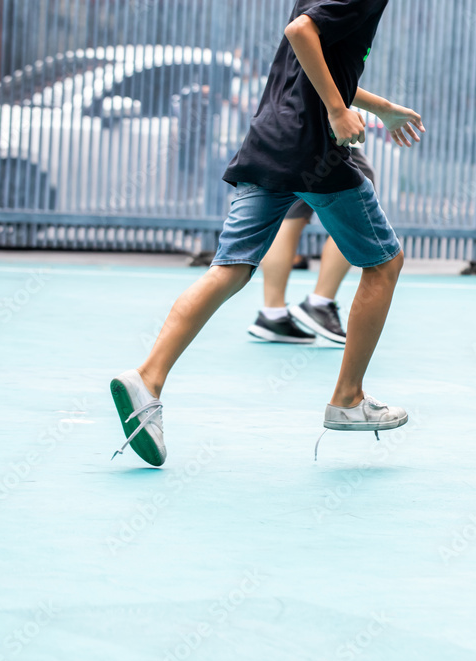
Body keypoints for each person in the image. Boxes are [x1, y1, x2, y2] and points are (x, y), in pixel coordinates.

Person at [109, 0, 424, 466]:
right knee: (383, 263)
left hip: (268, 143)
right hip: (315, 153)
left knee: (228, 271)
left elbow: (316, 64)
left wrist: (382, 108)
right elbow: (300, 33)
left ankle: (147, 379)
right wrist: (339, 112)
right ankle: (347, 398)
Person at [247, 147, 377, 345]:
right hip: (328, 133)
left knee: (292, 208)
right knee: (359, 205)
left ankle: (273, 313)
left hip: (292, 134)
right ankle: (320, 304)